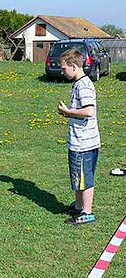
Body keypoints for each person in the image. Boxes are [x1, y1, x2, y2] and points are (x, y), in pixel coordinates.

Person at [58, 49, 101, 225]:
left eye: (64, 68)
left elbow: (89, 111)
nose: (62, 72)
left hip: (84, 143)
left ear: (74, 66)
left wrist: (69, 112)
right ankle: (78, 206)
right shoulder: (79, 83)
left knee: (85, 178)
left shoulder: (84, 85)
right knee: (78, 177)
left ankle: (87, 212)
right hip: (78, 142)